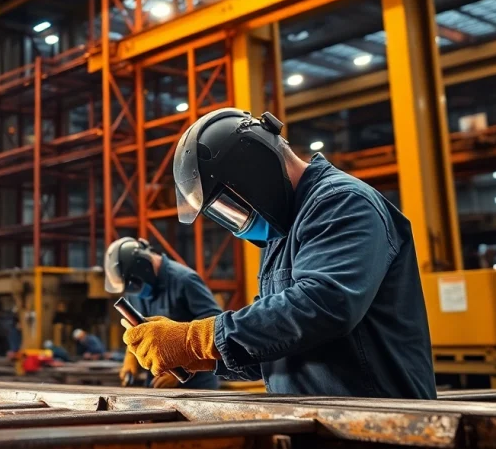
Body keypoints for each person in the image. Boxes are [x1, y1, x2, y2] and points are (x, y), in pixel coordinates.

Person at [122, 108, 436, 399]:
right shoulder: (282, 232)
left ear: (256, 173)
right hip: (322, 422)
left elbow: (324, 306)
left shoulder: (343, 203)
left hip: (378, 423)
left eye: (231, 208)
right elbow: (281, 344)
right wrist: (202, 358)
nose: (236, 226)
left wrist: (197, 338)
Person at [105, 237, 222, 389]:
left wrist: (183, 365)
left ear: (143, 267)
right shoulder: (134, 289)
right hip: (157, 384)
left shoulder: (185, 280)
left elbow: (215, 326)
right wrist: (131, 356)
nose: (136, 290)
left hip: (197, 386)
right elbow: (139, 327)